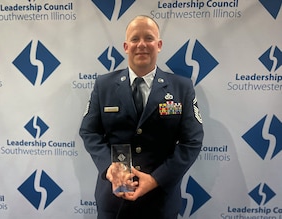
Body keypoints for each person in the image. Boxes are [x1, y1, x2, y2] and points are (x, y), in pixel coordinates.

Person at [80, 15, 204, 219]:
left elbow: (192, 142)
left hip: (160, 200)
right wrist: (108, 167)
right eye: (135, 39)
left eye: (149, 38)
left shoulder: (182, 87)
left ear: (159, 44)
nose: (142, 45)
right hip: (114, 199)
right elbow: (89, 131)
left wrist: (156, 179)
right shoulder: (104, 85)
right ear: (126, 46)